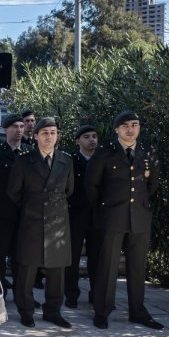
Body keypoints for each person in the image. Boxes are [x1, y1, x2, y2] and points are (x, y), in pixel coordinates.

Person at [85, 110, 163, 330]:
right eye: (126, 125)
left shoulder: (148, 153)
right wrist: (104, 208)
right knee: (107, 267)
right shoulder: (105, 153)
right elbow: (92, 186)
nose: (131, 129)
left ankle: (137, 311)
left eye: (135, 125)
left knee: (138, 268)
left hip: (139, 217)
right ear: (117, 129)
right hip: (111, 217)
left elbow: (151, 185)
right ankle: (102, 312)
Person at [7, 118, 75, 329]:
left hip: (57, 222)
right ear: (35, 136)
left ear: (58, 136)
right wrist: (32, 207)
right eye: (44, 132)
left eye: (53, 132)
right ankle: (26, 311)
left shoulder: (66, 160)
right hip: (32, 219)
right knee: (27, 269)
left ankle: (53, 311)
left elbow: (69, 190)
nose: (49, 136)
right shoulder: (24, 161)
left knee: (57, 272)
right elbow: (14, 191)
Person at [0, 113, 33, 292]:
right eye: (15, 127)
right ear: (5, 129)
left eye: (22, 127)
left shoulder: (29, 151)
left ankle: (23, 294)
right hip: (1, 211)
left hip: (25, 212)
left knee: (21, 256)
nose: (19, 130)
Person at [65, 125, 98, 308]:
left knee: (97, 258)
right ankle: (71, 295)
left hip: (96, 217)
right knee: (72, 259)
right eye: (87, 137)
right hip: (75, 216)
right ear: (78, 141)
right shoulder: (71, 160)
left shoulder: (102, 160)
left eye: (94, 136)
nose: (92, 140)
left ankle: (97, 294)